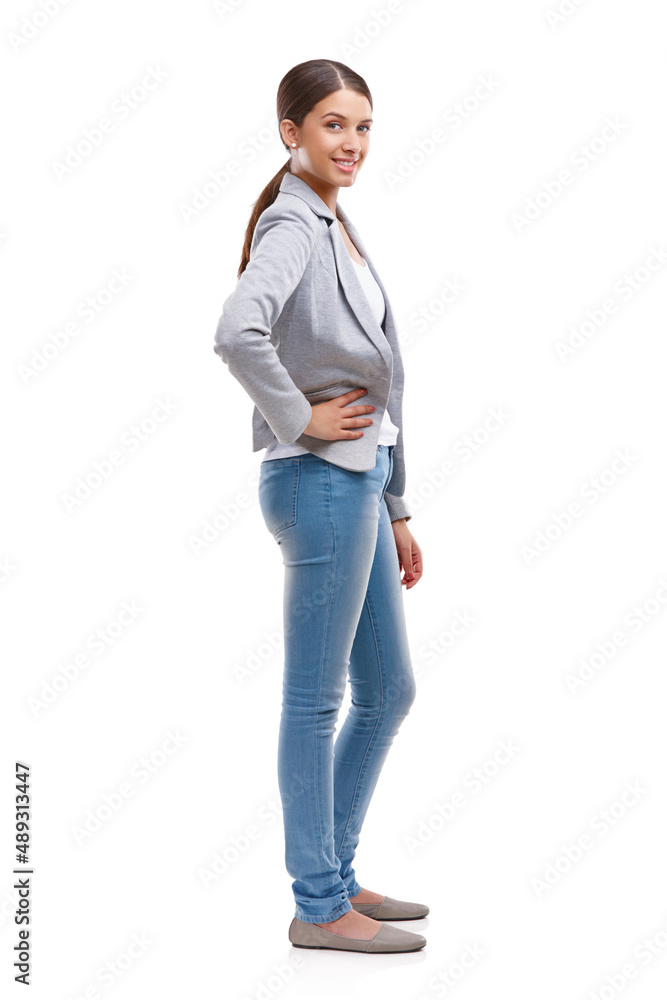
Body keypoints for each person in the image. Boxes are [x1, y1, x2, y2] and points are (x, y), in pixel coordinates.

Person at [213, 59, 427, 955]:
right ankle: (317, 902)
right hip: (318, 482)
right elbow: (236, 330)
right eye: (333, 125)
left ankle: (334, 873)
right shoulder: (293, 223)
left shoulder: (338, 225)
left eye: (363, 127)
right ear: (290, 132)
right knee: (318, 700)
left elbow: (380, 376)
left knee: (389, 689)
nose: (352, 144)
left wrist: (399, 503)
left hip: (361, 486)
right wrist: (298, 416)